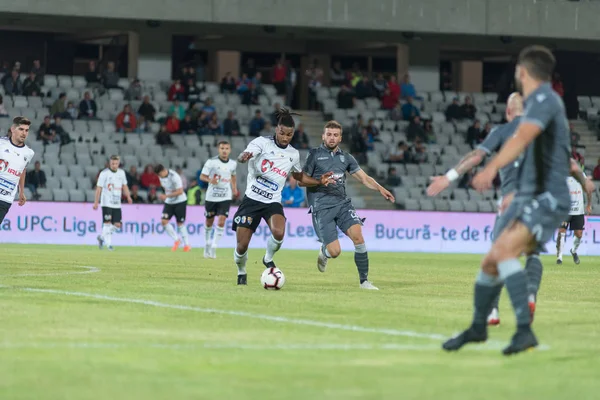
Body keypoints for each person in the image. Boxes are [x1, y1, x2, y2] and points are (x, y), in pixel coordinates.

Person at [444, 45, 595, 355]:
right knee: (492, 260)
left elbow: (522, 137)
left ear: (523, 72)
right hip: (534, 196)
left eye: (516, 70)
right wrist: (584, 180)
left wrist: (491, 169)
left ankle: (523, 329)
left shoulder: (543, 99)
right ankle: (478, 326)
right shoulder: (547, 102)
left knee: (505, 253)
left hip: (548, 198)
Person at [428, 93, 528, 326]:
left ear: (508, 112)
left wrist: (449, 176)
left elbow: (476, 156)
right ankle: (527, 296)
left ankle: (493, 309)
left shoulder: (502, 131)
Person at [232, 108, 335, 285]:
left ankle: (267, 258)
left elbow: (299, 177)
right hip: (251, 200)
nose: (285, 137)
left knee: (279, 233)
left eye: (289, 134)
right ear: (276, 130)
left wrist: (319, 181)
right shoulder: (261, 143)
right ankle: (241, 271)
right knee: (242, 246)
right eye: (282, 133)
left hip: (272, 201)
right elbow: (245, 155)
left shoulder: (293, 154)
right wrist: (243, 157)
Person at [300, 120, 394, 290]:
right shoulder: (314, 154)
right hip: (322, 207)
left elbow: (364, 178)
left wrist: (380, 188)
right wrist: (319, 182)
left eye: (335, 135)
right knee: (335, 252)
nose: (332, 138)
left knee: (358, 235)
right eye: (328, 134)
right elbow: (301, 180)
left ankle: (364, 281)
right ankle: (325, 252)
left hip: (343, 204)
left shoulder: (346, 158)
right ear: (323, 136)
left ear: (340, 138)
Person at [200, 141, 238, 258]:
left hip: (225, 196)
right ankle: (207, 244)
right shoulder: (211, 162)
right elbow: (202, 176)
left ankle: (214, 247)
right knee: (209, 222)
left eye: (227, 148)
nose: (224, 150)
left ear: (230, 150)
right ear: (218, 149)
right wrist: (211, 180)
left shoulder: (233, 163)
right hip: (211, 196)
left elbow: (233, 175)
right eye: (222, 148)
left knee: (221, 221)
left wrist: (234, 188)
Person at [94, 155, 133, 251]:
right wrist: (96, 202)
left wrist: (128, 196)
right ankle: (109, 245)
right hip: (106, 202)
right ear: (109, 163)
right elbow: (99, 188)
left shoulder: (121, 173)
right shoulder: (104, 173)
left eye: (116, 163)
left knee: (117, 225)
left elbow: (124, 186)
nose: (114, 165)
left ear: (118, 163)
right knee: (107, 223)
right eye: (112, 163)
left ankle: (102, 237)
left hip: (117, 203)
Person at [556, 163, 592, 265]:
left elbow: (588, 190)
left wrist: (589, 204)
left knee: (579, 234)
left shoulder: (581, 176)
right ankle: (559, 257)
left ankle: (574, 251)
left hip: (578, 211)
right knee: (561, 232)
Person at [0, 117, 34, 223]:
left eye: (26, 130)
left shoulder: (29, 153)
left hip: (6, 199)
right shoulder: (1, 143)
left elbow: (22, 170)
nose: (24, 133)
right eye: (21, 129)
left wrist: (21, 192)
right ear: (13, 129)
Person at [155, 164, 191, 252]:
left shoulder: (174, 176)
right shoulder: (161, 177)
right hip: (169, 202)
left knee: (180, 223)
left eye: (160, 174)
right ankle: (177, 240)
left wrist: (167, 195)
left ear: (164, 171)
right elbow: (165, 187)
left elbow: (180, 191)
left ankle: (187, 245)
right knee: (164, 221)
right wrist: (167, 196)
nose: (159, 177)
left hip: (180, 201)